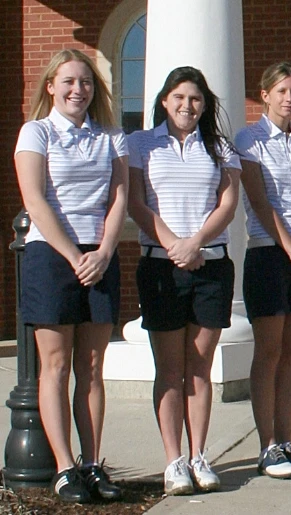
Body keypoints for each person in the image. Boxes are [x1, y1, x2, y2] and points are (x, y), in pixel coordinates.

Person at [15, 49, 127, 503]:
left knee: (94, 367)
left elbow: (119, 197)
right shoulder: (36, 132)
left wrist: (102, 252)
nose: (78, 90)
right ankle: (65, 468)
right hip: (50, 255)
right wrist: (72, 254)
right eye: (69, 82)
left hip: (99, 256)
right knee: (56, 366)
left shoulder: (111, 137)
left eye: (85, 82)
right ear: (51, 87)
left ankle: (93, 462)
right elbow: (35, 200)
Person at [127, 66, 240, 495]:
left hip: (211, 266)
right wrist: (175, 244)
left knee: (199, 369)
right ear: (164, 100)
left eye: (195, 99)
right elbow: (136, 201)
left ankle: (198, 455)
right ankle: (173, 460)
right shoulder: (141, 144)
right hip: (161, 265)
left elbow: (227, 203)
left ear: (204, 105)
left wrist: (195, 243)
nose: (187, 106)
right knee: (170, 369)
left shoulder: (220, 148)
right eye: (179, 97)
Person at [236, 62, 291, 479]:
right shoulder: (248, 141)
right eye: (282, 91)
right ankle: (266, 445)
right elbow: (258, 201)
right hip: (269, 254)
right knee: (268, 352)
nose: (290, 98)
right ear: (265, 94)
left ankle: (286, 440)